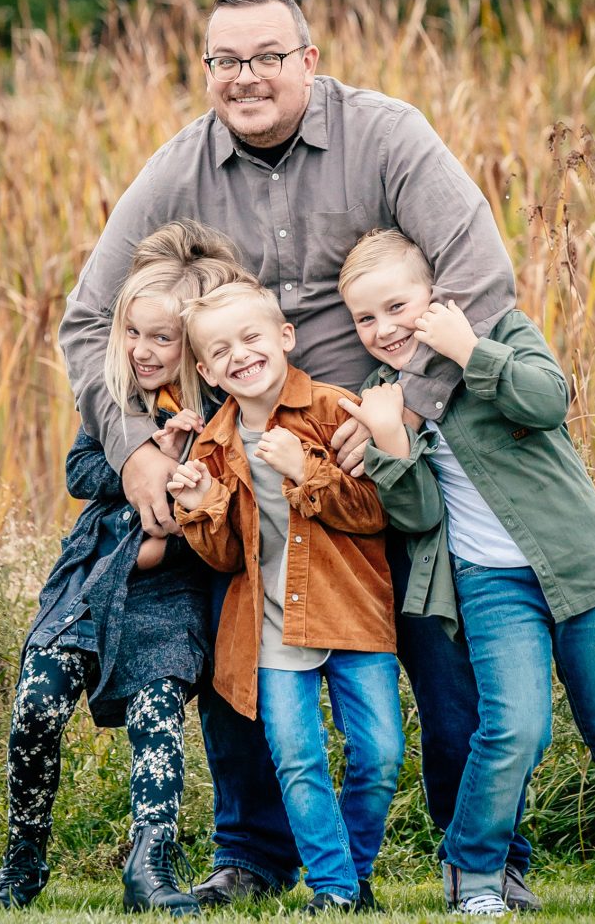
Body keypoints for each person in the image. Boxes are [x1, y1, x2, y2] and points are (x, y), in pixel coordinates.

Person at [58, 0, 537, 909]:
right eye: (226, 60)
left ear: (307, 61)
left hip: (380, 445)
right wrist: (134, 452)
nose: (247, 78)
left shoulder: (387, 135)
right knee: (236, 635)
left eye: (267, 57)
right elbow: (88, 322)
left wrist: (404, 413)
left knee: (442, 655)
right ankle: (252, 855)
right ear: (207, 70)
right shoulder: (175, 170)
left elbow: (481, 275)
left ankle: (482, 854)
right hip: (246, 460)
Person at [337, 227, 595, 917]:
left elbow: (545, 401)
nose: (383, 328)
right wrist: (389, 437)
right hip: (488, 581)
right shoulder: (384, 392)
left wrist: (468, 350)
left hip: (576, 563)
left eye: (396, 306)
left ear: (434, 297)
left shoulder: (497, 329)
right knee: (514, 728)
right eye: (365, 317)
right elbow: (415, 517)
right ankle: (472, 870)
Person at [0, 221, 249, 915]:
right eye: (133, 332)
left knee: (158, 715)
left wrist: (186, 475)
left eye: (163, 338)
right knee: (36, 704)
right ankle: (22, 860)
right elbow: (77, 470)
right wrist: (140, 456)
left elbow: (228, 516)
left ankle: (149, 866)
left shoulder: (224, 417)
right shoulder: (115, 402)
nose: (143, 350)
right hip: (92, 577)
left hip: (170, 593)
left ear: (193, 347)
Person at [168, 280, 405, 912]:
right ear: (204, 368)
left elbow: (377, 511)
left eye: (251, 337)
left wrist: (309, 471)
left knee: (380, 752)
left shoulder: (333, 410)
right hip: (268, 627)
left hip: (350, 610)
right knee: (298, 760)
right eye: (220, 351)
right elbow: (224, 557)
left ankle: (351, 873)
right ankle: (334, 890)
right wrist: (199, 508)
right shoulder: (213, 445)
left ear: (284, 337)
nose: (239, 356)